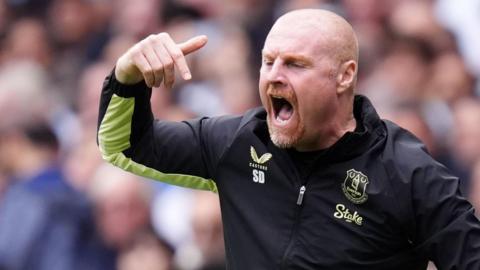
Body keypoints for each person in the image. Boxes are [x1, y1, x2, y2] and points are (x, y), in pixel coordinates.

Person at [97, 9, 480, 269]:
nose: (274, 76)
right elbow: (124, 146)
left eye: (295, 64)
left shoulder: (407, 172)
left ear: (344, 76)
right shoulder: (237, 142)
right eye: (268, 61)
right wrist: (126, 77)